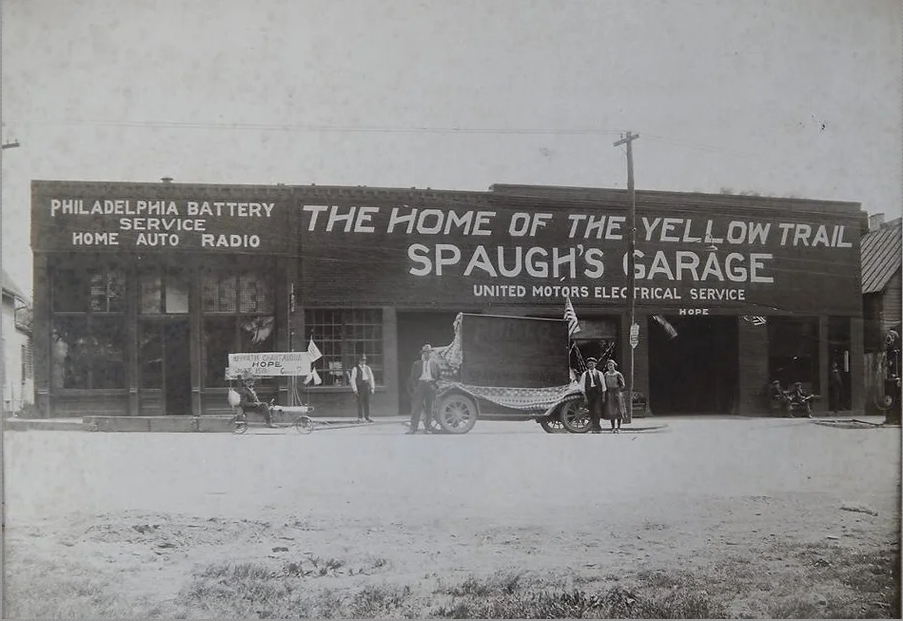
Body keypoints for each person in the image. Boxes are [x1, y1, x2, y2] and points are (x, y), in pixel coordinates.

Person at [408, 344, 441, 434]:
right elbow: (412, 377)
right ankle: (413, 428)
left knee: (429, 408)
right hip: (420, 385)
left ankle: (427, 428)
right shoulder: (417, 364)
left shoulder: (435, 364)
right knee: (416, 407)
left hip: (431, 385)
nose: (428, 354)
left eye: (429, 352)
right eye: (426, 352)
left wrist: (435, 385)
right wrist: (415, 387)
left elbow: (439, 376)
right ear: (422, 353)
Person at [578, 357, 607, 433]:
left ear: (595, 364)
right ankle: (595, 427)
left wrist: (603, 397)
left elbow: (603, 386)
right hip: (589, 394)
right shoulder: (584, 374)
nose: (591, 365)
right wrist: (585, 398)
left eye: (592, 363)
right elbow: (582, 387)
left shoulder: (599, 374)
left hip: (598, 393)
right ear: (587, 365)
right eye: (589, 363)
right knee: (591, 411)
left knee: (597, 410)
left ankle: (597, 427)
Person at [602, 359, 627, 433]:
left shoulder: (618, 374)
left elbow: (622, 385)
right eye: (609, 365)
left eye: (611, 365)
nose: (610, 367)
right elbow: (604, 384)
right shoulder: (606, 374)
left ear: (614, 366)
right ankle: (612, 428)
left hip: (617, 394)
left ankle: (618, 428)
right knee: (611, 411)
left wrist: (617, 390)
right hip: (609, 394)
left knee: (618, 410)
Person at [350, 354, 376, 422]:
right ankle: (360, 417)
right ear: (359, 361)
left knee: (367, 402)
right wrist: (355, 389)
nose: (363, 362)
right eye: (362, 360)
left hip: (366, 385)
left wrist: (372, 387)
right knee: (360, 402)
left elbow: (371, 378)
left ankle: (367, 416)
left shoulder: (367, 368)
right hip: (360, 386)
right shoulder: (355, 368)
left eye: (364, 360)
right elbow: (352, 379)